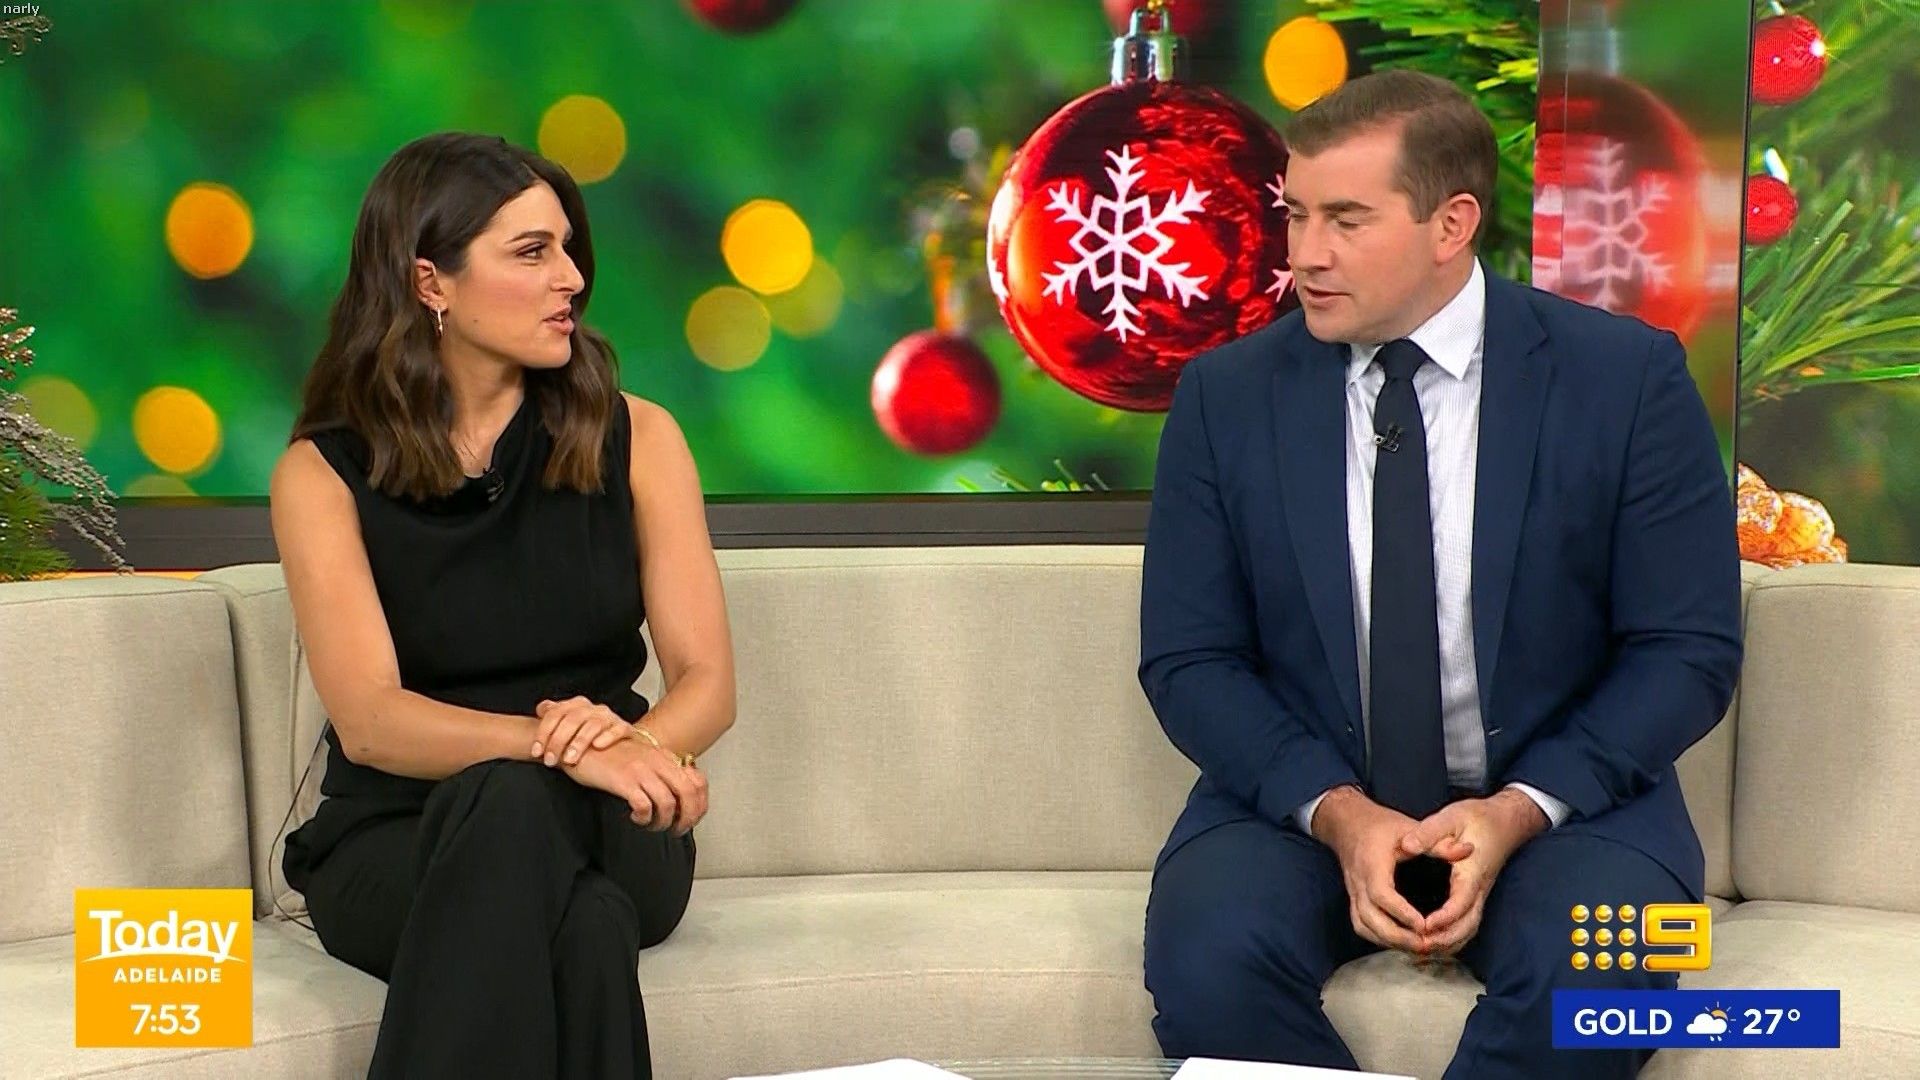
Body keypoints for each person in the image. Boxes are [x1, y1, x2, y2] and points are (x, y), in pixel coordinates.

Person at [1138, 71, 1741, 1079]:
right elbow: (1190, 659)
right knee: (1208, 957)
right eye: (1294, 215)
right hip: (1307, 801)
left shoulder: (1625, 381)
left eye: (1345, 220)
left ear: (1451, 224)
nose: (1304, 254)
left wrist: (1518, 810)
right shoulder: (1225, 397)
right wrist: (1340, 813)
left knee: (1597, 979)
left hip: (1563, 804)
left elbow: (1687, 649)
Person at [271, 132, 736, 1080]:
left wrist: (635, 751)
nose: (571, 277)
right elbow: (371, 724)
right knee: (585, 925)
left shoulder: (641, 437)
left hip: (611, 822)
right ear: (430, 282)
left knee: (528, 816)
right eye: (531, 252)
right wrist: (566, 746)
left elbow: (707, 683)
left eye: (568, 248)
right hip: (398, 838)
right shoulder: (322, 475)